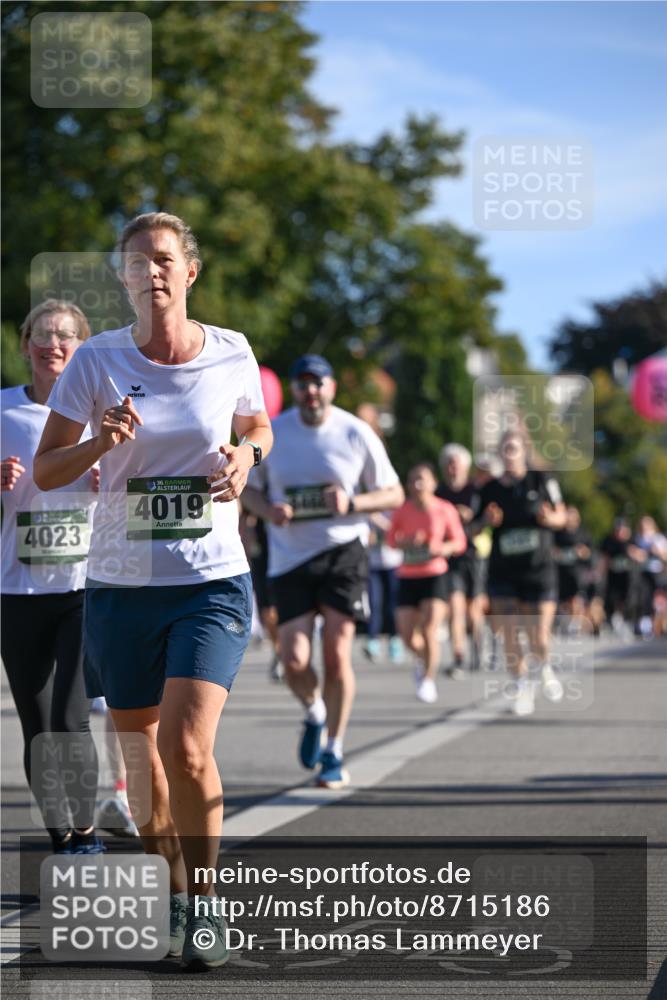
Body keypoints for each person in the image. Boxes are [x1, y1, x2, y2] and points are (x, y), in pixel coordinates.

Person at [33, 212, 273, 970]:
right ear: (124, 279)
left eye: (165, 260)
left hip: (208, 580)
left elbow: (257, 426)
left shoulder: (231, 351)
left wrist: (245, 457)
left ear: (190, 270)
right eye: (137, 264)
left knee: (186, 747)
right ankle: (172, 894)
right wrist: (101, 441)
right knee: (140, 762)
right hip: (119, 586)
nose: (153, 273)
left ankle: (205, 901)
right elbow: (47, 471)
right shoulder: (95, 361)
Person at [242, 354, 403, 788]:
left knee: (335, 654)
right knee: (294, 661)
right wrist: (268, 510)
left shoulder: (355, 431)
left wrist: (353, 504)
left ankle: (334, 747)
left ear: (332, 388)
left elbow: (393, 493)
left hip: (343, 553)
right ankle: (314, 712)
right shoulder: (276, 432)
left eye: (319, 383)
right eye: (303, 384)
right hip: (290, 557)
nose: (311, 391)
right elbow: (249, 492)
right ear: (294, 390)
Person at [1, 299, 104, 855]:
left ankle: (86, 834)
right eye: (43, 335)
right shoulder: (3, 412)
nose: (54, 344)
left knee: (71, 718)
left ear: (81, 347)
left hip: (81, 588)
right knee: (37, 728)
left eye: (66, 335)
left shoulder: (97, 415)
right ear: (26, 346)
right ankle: (60, 835)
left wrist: (103, 485)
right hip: (17, 590)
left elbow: (134, 489)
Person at [479, 430, 567, 716]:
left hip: (538, 569)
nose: (509, 454)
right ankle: (521, 686)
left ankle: (545, 667)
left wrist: (549, 518)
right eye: (504, 448)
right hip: (503, 571)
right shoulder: (489, 489)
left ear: (524, 451)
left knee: (538, 634)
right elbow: (472, 529)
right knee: (509, 632)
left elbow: (562, 516)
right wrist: (486, 521)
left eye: (514, 448)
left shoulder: (542, 480)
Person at [387, 463, 467, 703]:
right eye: (413, 480)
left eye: (423, 479)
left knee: (430, 627)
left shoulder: (444, 509)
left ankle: (428, 680)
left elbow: (459, 542)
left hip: (435, 573)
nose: (418, 484)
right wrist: (407, 542)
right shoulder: (403, 510)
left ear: (433, 483)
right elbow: (391, 540)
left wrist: (441, 548)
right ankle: (424, 659)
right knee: (407, 635)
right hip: (408, 575)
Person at [436, 444, 487, 677]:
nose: (452, 468)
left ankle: (478, 648)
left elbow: (486, 520)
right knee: (455, 608)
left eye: (456, 463)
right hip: (450, 556)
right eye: (449, 463)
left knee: (473, 609)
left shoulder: (477, 492)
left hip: (473, 555)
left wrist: (474, 520)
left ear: (465, 467)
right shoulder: (438, 493)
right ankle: (458, 656)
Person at [553, 506, 592, 632]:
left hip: (577, 571)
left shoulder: (583, 533)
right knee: (563, 600)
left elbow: (589, 552)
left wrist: (582, 552)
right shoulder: (557, 533)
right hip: (560, 571)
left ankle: (575, 623)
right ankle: (565, 621)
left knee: (576, 598)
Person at [632, 515, 667, 638]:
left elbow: (665, 556)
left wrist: (657, 551)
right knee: (644, 599)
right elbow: (633, 553)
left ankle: (659, 626)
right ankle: (645, 625)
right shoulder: (637, 539)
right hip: (643, 573)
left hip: (657, 573)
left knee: (659, 601)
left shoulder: (658, 538)